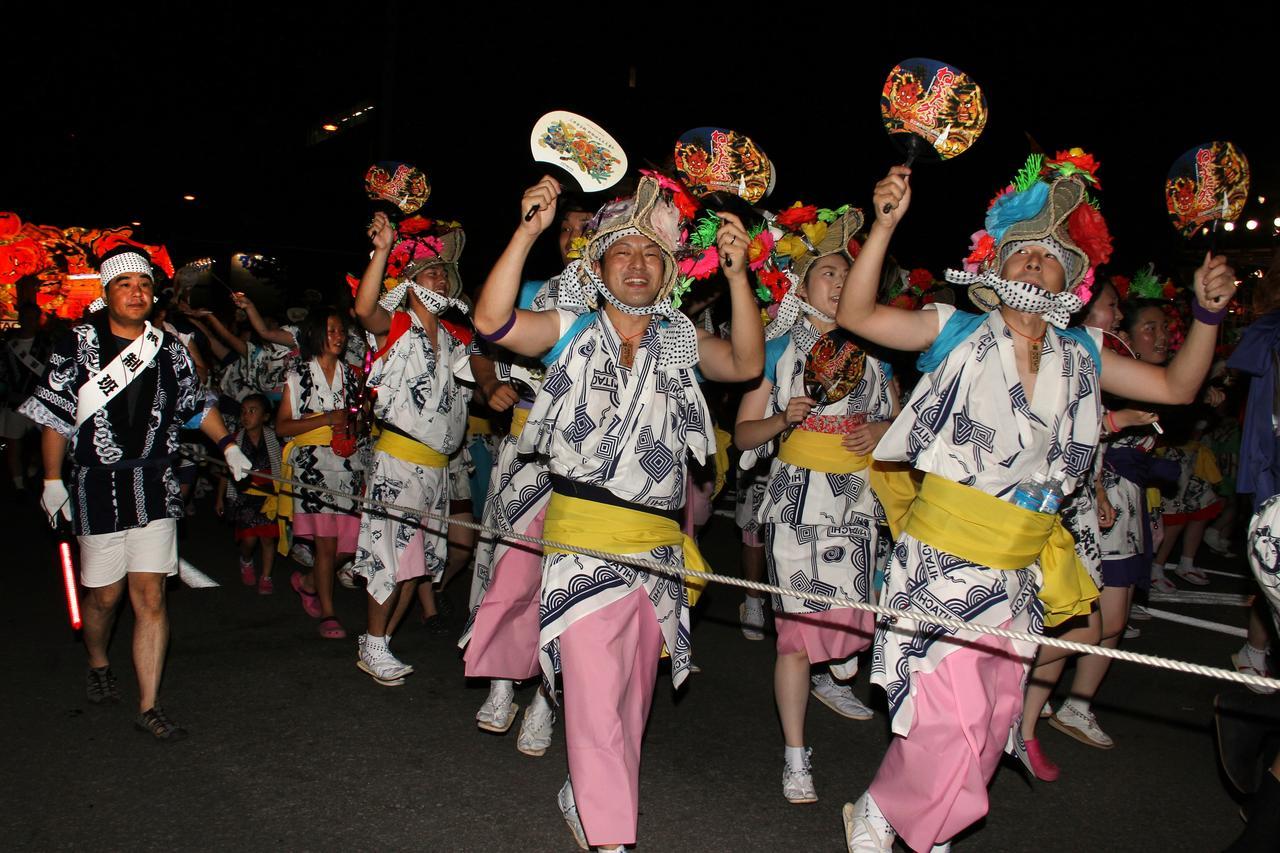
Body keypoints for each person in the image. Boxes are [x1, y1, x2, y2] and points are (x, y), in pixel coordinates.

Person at [835, 153, 1236, 852]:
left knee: (991, 725)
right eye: (1022, 253)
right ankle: (892, 813)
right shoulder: (953, 328)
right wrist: (884, 225)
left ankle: (890, 806)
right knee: (951, 712)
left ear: (1070, 282)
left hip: (1022, 569)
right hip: (944, 557)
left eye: (1052, 259)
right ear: (996, 262)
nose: (1034, 265)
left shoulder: (1083, 354)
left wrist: (1207, 313)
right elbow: (858, 313)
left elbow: (1176, 387)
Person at [472, 174, 763, 852]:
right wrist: (528, 230)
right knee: (599, 692)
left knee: (632, 697)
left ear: (668, 269)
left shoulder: (681, 341)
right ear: (597, 265)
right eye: (621, 252)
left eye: (651, 253)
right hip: (583, 537)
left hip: (658, 544)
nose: (637, 263)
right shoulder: (571, 328)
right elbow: (492, 323)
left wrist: (739, 273)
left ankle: (585, 792)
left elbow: (747, 361)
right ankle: (610, 837)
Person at [21, 245, 250, 740]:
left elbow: (194, 404)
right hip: (96, 485)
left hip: (154, 482)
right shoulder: (75, 344)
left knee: (150, 595)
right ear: (106, 293)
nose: (136, 293)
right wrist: (53, 479)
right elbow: (56, 417)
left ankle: (149, 705)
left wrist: (228, 444)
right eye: (124, 285)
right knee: (104, 597)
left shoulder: (167, 348)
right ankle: (99, 660)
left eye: (143, 285)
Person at [734, 204, 893, 803]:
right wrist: (779, 418)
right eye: (829, 272)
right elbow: (745, 435)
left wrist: (882, 431)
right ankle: (796, 756)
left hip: (856, 504)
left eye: (848, 274)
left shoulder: (875, 351)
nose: (841, 282)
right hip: (797, 502)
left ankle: (839, 665)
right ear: (800, 284)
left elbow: (900, 419)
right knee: (795, 638)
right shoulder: (776, 350)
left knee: (857, 618)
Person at [461, 200, 585, 750]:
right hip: (523, 455)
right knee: (508, 569)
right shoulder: (535, 291)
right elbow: (482, 343)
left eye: (587, 229)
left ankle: (546, 701)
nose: (575, 237)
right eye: (568, 230)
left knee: (569, 584)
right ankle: (503, 681)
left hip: (585, 467)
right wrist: (489, 387)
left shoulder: (621, 307)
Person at [349, 212, 471, 684]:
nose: (439, 276)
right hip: (399, 461)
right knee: (390, 558)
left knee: (415, 565)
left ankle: (377, 640)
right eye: (428, 271)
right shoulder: (396, 326)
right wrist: (381, 251)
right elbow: (364, 311)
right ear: (410, 283)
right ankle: (375, 642)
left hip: (438, 468)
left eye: (444, 271)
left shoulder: (457, 338)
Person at [276, 306, 363, 640]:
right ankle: (329, 613)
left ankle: (310, 582)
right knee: (326, 545)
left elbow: (359, 423)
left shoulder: (353, 376)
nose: (338, 337)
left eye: (341, 331)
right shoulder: (297, 375)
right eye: (331, 331)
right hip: (312, 466)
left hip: (350, 465)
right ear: (314, 335)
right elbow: (282, 425)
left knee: (353, 544)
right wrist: (326, 420)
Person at [215, 393, 281, 594]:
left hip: (269, 495)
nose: (246, 415)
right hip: (244, 496)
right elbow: (226, 472)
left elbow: (283, 468)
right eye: (243, 411)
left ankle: (266, 576)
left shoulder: (275, 439)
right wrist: (220, 498)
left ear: (265, 416)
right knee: (249, 540)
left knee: (268, 539)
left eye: (253, 411)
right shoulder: (234, 442)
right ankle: (246, 559)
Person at [1, 302, 48, 493]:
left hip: (40, 402)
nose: (29, 321)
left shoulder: (48, 344)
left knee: (44, 442)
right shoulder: (8, 346)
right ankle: (18, 484)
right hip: (14, 402)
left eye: (33, 317)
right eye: (26, 317)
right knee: (14, 443)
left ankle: (35, 468)